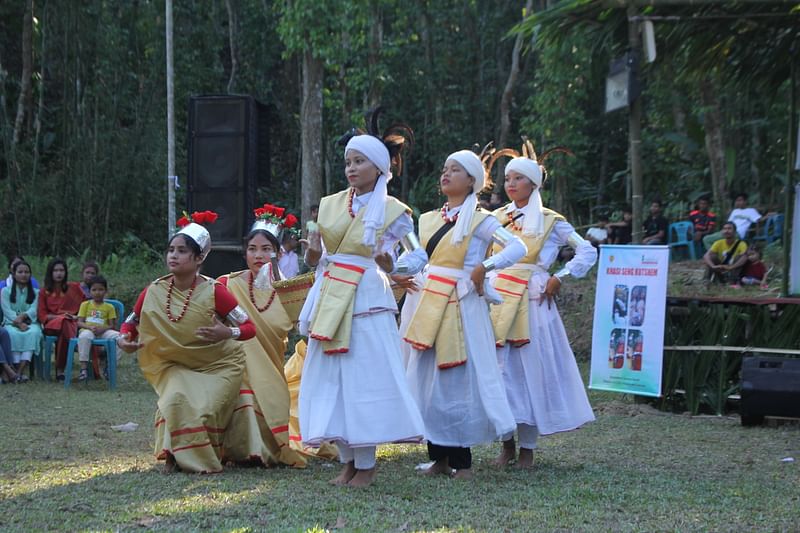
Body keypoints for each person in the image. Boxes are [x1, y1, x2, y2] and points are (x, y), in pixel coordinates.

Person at [299, 118, 427, 488]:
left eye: (359, 161)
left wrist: (392, 264)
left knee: (364, 378)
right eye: (348, 162)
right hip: (330, 290)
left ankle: (367, 464)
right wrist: (311, 253)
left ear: (379, 167)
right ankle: (347, 460)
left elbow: (417, 257)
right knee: (331, 379)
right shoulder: (329, 204)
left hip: (367, 294)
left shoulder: (394, 211)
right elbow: (316, 258)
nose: (351, 169)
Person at [403, 148, 524, 480]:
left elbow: (517, 247)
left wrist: (485, 267)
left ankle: (463, 462)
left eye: (454, 170)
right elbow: (416, 259)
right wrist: (392, 269)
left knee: (456, 380)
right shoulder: (427, 219)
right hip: (429, 302)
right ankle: (438, 457)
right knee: (427, 377)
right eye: (444, 168)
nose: (445, 174)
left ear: (472, 180)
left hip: (461, 305)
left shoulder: (481, 220)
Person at [118, 212, 257, 473]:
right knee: (175, 399)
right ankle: (171, 455)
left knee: (203, 408)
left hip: (219, 366)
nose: (173, 255)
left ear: (199, 258)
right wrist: (123, 340)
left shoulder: (215, 291)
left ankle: (196, 456)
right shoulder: (154, 290)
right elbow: (130, 324)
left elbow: (249, 328)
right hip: (176, 365)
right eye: (171, 250)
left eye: (182, 251)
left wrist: (227, 334)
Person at [486, 144, 596, 469]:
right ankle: (506, 444)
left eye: (519, 178)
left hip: (533, 299)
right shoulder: (496, 218)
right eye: (508, 178)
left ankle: (527, 449)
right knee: (500, 369)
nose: (511, 184)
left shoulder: (551, 221)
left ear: (534, 184)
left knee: (529, 370)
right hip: (498, 296)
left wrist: (560, 276)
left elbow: (587, 251)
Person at [216, 206, 308, 468]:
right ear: (244, 252)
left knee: (267, 397)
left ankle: (261, 449)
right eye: (252, 249)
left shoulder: (292, 291)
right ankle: (238, 450)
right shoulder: (227, 284)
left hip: (270, 365)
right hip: (234, 362)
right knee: (240, 390)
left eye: (266, 249)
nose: (259, 255)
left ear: (279, 252)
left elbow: (302, 327)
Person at [38, 258, 86, 381]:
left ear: (65, 272)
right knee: (64, 322)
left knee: (65, 328)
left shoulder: (73, 288)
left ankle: (60, 370)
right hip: (51, 326)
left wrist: (75, 317)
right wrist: (60, 317)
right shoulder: (44, 292)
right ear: (50, 272)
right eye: (55, 270)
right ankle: (77, 352)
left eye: (61, 270)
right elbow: (43, 315)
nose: (59, 273)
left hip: (72, 323)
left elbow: (85, 307)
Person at [0, 260, 42, 382]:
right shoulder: (5, 291)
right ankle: (15, 370)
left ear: (30, 274)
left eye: (27, 272)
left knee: (33, 333)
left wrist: (23, 316)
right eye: (20, 272)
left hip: (30, 322)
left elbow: (34, 309)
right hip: (11, 323)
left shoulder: (36, 292)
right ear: (14, 274)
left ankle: (19, 372)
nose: (24, 274)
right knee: (11, 333)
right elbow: (6, 310)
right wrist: (18, 322)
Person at [75, 276, 119, 382]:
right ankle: (84, 369)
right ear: (89, 292)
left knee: (119, 337)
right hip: (88, 330)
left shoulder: (109, 307)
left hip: (103, 331)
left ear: (105, 291)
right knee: (84, 336)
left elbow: (112, 325)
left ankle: (110, 366)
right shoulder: (85, 305)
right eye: (94, 290)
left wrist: (102, 329)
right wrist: (89, 327)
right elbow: (79, 322)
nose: (97, 292)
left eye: (100, 289)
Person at [703, 193, 768, 250]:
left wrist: (767, 216)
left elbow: (759, 220)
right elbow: (729, 223)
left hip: (738, 233)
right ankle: (714, 255)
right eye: (737, 201)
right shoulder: (735, 211)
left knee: (722, 239)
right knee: (706, 239)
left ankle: (717, 255)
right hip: (727, 230)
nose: (738, 202)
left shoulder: (751, 211)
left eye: (740, 200)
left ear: (745, 201)